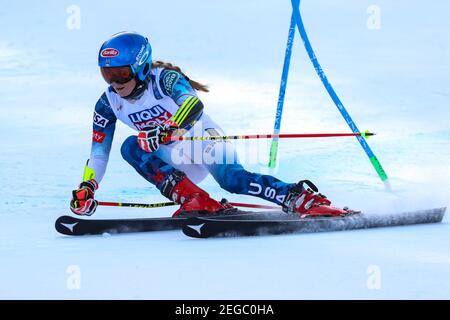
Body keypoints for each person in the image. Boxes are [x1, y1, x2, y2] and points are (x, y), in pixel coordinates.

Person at [70, 31, 347, 218]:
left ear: (141, 66)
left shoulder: (164, 79)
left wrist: (169, 128)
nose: (115, 83)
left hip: (203, 140)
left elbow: (193, 105)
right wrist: (88, 187)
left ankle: (300, 198)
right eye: (107, 74)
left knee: (232, 180)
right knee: (131, 146)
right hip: (175, 160)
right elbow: (98, 153)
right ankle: (195, 199)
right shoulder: (107, 103)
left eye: (121, 73)